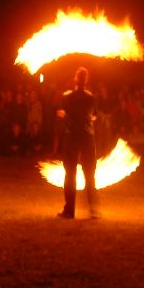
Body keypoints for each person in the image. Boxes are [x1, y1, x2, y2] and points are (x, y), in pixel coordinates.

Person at [57, 67, 99, 219]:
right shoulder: (91, 98)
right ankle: (94, 210)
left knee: (70, 174)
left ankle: (69, 211)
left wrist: (66, 116)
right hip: (87, 137)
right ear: (86, 80)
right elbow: (94, 116)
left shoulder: (66, 96)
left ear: (75, 79)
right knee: (89, 174)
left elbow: (62, 112)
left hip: (72, 137)